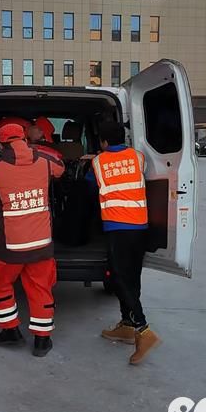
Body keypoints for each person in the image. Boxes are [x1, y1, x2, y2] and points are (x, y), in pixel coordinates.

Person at [0, 123, 65, 357]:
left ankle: (11, 331)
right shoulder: (44, 161)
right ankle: (42, 341)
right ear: (24, 138)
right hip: (41, 245)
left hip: (7, 249)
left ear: (1, 143)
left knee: (1, 285)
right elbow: (61, 169)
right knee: (41, 288)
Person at [85, 121, 161, 365]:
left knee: (118, 278)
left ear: (104, 142)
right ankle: (127, 325)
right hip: (139, 226)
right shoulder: (138, 157)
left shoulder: (98, 162)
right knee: (132, 276)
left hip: (117, 227)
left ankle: (142, 328)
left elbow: (89, 185)